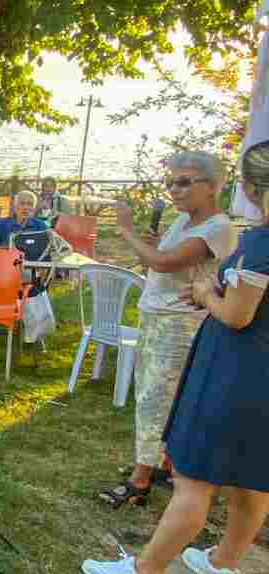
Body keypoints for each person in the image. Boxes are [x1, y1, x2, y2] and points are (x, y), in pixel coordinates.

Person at [80, 142, 269, 574]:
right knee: (254, 479)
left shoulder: (257, 241)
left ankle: (145, 573)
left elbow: (238, 315)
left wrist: (206, 292)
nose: (176, 189)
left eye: (185, 181)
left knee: (193, 479)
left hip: (238, 368)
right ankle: (223, 564)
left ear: (242, 187)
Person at [100, 151, 238, 508]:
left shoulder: (217, 228)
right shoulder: (184, 222)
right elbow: (158, 264)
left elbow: (164, 262)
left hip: (181, 326)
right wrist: (149, 244)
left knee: (155, 400)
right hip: (157, 318)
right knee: (153, 394)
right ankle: (162, 463)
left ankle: (140, 480)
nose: (173, 190)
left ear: (212, 186)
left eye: (183, 182)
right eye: (169, 183)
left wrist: (127, 232)